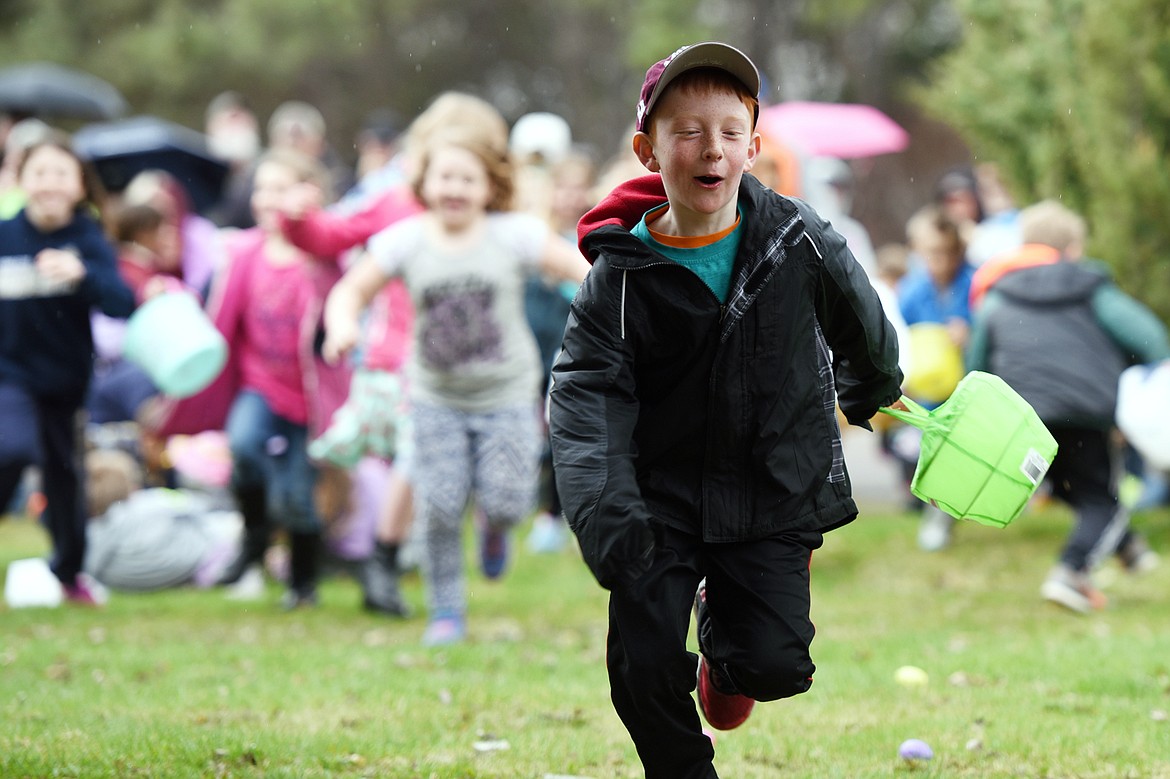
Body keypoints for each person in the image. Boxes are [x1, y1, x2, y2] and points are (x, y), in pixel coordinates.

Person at [546, 42, 902, 779]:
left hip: (769, 484)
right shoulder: (619, 275)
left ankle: (726, 650)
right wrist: (609, 513)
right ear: (648, 150)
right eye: (685, 131)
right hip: (658, 497)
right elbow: (587, 394)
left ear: (754, 145)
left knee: (773, 667)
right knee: (641, 666)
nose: (710, 148)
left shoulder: (796, 237)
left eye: (729, 131)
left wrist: (871, 381)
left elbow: (856, 312)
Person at [321, 124, 591, 646]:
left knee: (510, 501)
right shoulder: (405, 241)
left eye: (468, 179)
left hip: (507, 396)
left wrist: (610, 304)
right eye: (445, 177)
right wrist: (342, 324)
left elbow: (581, 272)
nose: (455, 189)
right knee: (440, 504)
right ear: (424, 182)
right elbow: (350, 290)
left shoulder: (513, 234)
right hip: (434, 398)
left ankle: (495, 527)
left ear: (489, 187)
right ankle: (446, 609)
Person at [142, 148, 352, 610]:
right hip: (259, 384)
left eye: (280, 190)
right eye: (261, 189)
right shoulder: (240, 251)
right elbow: (205, 295)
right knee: (242, 444)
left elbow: (342, 306)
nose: (267, 199)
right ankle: (255, 536)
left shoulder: (323, 259)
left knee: (299, 491)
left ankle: (303, 582)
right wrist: (168, 291)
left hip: (308, 398)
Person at [966, 199, 1170, 613]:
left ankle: (1127, 546)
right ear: (1073, 247)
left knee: (1063, 485)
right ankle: (1071, 572)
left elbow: (977, 367)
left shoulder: (998, 296)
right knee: (1102, 500)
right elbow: (1150, 339)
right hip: (1084, 411)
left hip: (1023, 417)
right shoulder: (1090, 289)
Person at [0, 132, 137, 605]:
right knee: (12, 449)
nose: (50, 184)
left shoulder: (88, 239)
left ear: (79, 184)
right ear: (22, 180)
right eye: (40, 173)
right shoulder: (5, 236)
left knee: (64, 478)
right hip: (10, 376)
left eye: (61, 173)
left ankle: (69, 571)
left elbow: (123, 302)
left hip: (66, 382)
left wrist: (84, 276)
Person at [897, 204, 975, 550]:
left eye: (945, 253)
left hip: (970, 389)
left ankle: (941, 519)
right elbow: (897, 338)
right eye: (931, 253)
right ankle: (938, 515)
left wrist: (970, 333)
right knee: (930, 455)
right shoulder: (913, 291)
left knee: (957, 455)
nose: (938, 261)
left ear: (958, 251)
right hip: (928, 391)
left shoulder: (975, 284)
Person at [82, 448, 241, 591]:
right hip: (201, 560)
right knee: (228, 524)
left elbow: (88, 570)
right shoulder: (149, 500)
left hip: (160, 577)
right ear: (129, 484)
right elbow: (197, 505)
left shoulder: (92, 534)